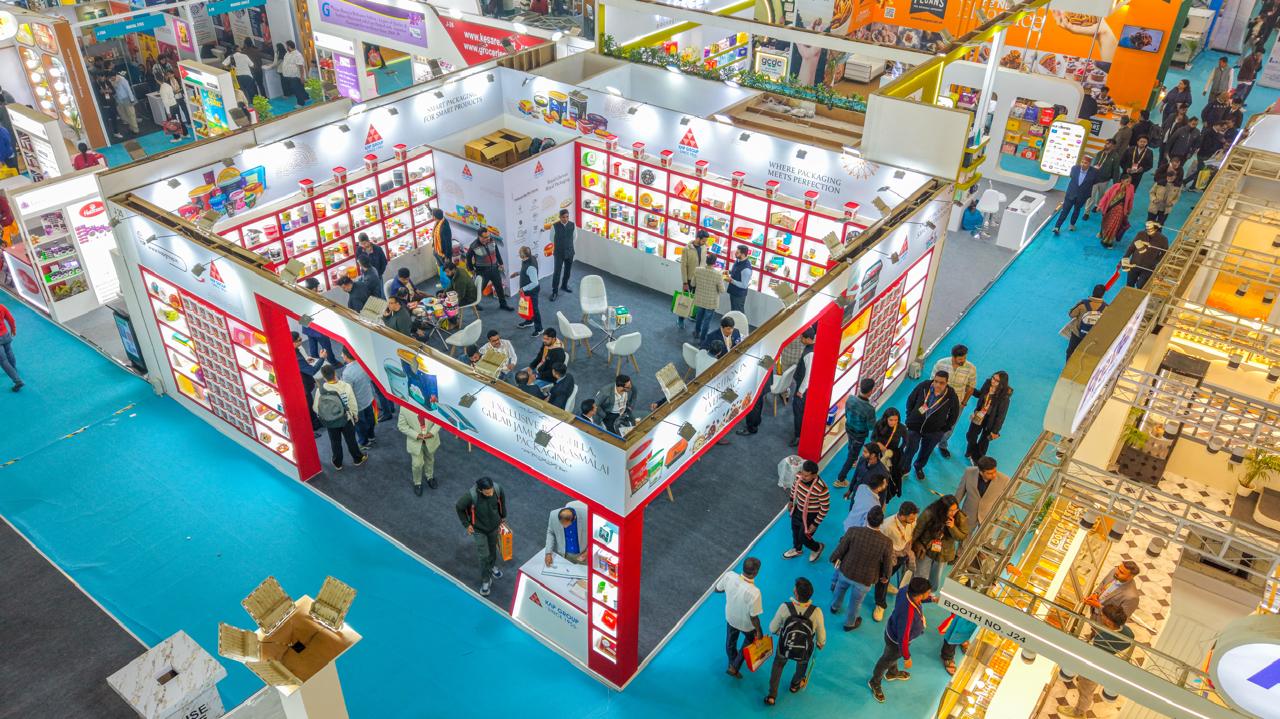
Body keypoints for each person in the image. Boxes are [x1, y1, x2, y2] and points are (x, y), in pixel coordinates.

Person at [1059, 604, 1135, 718]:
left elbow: (1091, 655)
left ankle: (1079, 713)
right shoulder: (1128, 632)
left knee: (1085, 691)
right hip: (1108, 664)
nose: (1100, 616)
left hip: (1094, 668)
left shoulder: (1102, 640)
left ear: (1109, 621)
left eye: (1102, 615)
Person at [868, 576, 935, 703]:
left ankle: (892, 673)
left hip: (892, 630)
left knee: (892, 657)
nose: (930, 593)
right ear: (920, 595)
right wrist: (907, 657)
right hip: (896, 642)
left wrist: (931, 599)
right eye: (928, 593)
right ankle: (874, 682)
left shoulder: (906, 590)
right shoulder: (908, 614)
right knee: (886, 660)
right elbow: (903, 639)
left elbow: (917, 600)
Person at [829, 504, 893, 631]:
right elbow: (887, 563)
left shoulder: (853, 531)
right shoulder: (886, 542)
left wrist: (833, 559)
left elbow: (841, 549)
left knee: (839, 590)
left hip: (846, 570)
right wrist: (886, 576)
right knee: (855, 603)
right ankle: (849, 624)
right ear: (881, 522)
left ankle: (834, 607)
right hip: (865, 579)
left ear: (867, 518)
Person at [764, 577, 826, 705]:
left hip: (784, 646)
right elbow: (821, 637)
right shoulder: (816, 612)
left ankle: (772, 695)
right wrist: (820, 643)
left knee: (778, 665)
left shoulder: (785, 607)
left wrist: (781, 632)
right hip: (804, 648)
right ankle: (795, 685)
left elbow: (772, 628)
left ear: (796, 593)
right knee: (802, 665)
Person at [901, 370, 960, 481]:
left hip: (934, 431)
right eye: (936, 381)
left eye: (941, 383)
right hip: (915, 426)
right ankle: (905, 468)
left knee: (926, 451)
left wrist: (943, 429)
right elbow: (911, 400)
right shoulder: (924, 386)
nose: (937, 385)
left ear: (947, 383)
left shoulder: (951, 395)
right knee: (910, 449)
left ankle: (918, 467)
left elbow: (954, 414)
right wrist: (910, 417)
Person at [454, 477, 508, 597]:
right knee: (484, 556)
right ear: (480, 490)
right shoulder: (470, 496)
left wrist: (503, 516)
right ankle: (486, 580)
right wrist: (466, 524)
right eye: (487, 493)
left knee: (493, 550)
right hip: (479, 530)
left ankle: (492, 566)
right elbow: (459, 507)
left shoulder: (497, 489)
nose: (490, 494)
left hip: (494, 527)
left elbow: (502, 502)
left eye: (491, 491)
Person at [713, 557, 764, 679]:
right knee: (749, 642)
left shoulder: (729, 576)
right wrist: (759, 631)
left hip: (731, 618)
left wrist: (730, 591)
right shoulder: (755, 592)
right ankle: (735, 666)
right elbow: (754, 617)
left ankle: (732, 663)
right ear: (756, 572)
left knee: (730, 642)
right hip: (747, 625)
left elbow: (717, 589)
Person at [313, 364, 367, 469]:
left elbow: (316, 407)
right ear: (335, 373)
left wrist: (325, 415)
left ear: (324, 377)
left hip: (330, 421)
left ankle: (337, 463)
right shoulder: (346, 386)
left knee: (335, 442)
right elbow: (352, 403)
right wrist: (354, 415)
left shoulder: (321, 390)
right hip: (346, 419)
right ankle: (357, 459)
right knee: (351, 440)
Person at [873, 502, 918, 621]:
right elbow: (880, 542)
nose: (914, 520)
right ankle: (880, 604)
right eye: (911, 518)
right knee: (883, 579)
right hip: (889, 555)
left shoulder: (912, 521)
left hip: (903, 553)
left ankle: (887, 584)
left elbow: (911, 534)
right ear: (902, 516)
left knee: (890, 574)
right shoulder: (887, 525)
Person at [912, 495, 967, 591]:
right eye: (950, 510)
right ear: (942, 509)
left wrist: (952, 527)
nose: (953, 513)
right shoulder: (930, 513)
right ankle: (916, 592)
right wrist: (911, 545)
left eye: (955, 510)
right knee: (920, 575)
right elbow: (918, 529)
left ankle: (929, 593)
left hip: (944, 554)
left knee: (935, 579)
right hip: (926, 549)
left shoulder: (959, 517)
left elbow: (962, 536)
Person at [932, 345, 976, 460]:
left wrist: (964, 403)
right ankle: (930, 443)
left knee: (950, 426)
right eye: (961, 359)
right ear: (953, 356)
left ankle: (942, 445)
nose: (963, 361)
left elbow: (971, 388)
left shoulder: (971, 368)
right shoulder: (941, 364)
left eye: (965, 358)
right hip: (939, 401)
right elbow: (932, 382)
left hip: (957, 404)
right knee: (934, 422)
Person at [784, 460, 829, 561]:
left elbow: (825, 508)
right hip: (798, 509)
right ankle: (797, 549)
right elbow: (794, 488)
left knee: (804, 537)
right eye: (802, 473)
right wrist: (791, 501)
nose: (803, 477)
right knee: (795, 531)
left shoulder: (821, 488)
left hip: (811, 515)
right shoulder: (799, 476)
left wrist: (815, 524)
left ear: (814, 475)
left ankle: (818, 547)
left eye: (806, 475)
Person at [964, 372, 1011, 463]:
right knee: (971, 435)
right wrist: (972, 390)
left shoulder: (1004, 397)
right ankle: (971, 452)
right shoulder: (987, 383)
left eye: (997, 380)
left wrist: (995, 431)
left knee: (984, 441)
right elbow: (980, 394)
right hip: (979, 414)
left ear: (1002, 384)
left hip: (990, 420)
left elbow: (1001, 416)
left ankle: (977, 459)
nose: (993, 381)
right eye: (993, 378)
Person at [955, 456, 1010, 530]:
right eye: (990, 473)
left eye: (995, 471)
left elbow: (1006, 501)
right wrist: (952, 510)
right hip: (968, 513)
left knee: (983, 537)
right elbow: (960, 492)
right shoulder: (969, 472)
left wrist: (999, 516)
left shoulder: (1004, 480)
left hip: (988, 517)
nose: (994, 475)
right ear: (981, 472)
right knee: (964, 535)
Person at [466, 229, 513, 311]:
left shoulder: (492, 240)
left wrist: (501, 263)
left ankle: (503, 304)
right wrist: (471, 269)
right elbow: (468, 257)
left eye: (488, 236)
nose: (488, 238)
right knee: (479, 289)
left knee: (499, 287)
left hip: (494, 268)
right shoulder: (474, 246)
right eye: (485, 237)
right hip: (482, 271)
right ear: (479, 237)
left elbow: (497, 252)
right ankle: (474, 303)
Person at [339, 349, 377, 450]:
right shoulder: (363, 364)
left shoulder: (347, 373)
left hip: (357, 404)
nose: (341, 355)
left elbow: (347, 392)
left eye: (342, 353)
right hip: (368, 398)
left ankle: (364, 442)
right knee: (370, 419)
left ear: (346, 356)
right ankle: (371, 436)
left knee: (360, 425)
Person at [397, 408, 440, 495]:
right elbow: (401, 426)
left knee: (430, 459)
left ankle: (430, 477)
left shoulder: (431, 403)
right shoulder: (404, 407)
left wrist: (432, 433)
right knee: (417, 464)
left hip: (431, 439)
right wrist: (416, 435)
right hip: (415, 441)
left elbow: (439, 420)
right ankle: (417, 483)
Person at [1053, 155, 1098, 234]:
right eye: (1082, 162)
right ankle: (1057, 227)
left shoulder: (1094, 172)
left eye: (1085, 163)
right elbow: (1072, 176)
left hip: (1082, 196)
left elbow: (1094, 181)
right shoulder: (1074, 168)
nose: (1083, 164)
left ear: (1089, 164)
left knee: (1077, 210)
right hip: (1071, 193)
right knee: (1065, 210)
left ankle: (1072, 225)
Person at [1066, 284, 1109, 359]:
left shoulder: (1082, 304)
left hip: (1078, 334)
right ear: (1103, 294)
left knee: (1070, 351)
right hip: (1092, 336)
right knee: (1087, 355)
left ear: (1093, 292)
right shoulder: (1106, 308)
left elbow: (1071, 314)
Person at [872, 408, 907, 501]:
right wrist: (878, 444)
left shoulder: (901, 428)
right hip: (879, 452)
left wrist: (899, 450)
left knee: (893, 473)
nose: (893, 422)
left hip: (892, 454)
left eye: (896, 420)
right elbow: (873, 438)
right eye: (891, 420)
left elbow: (906, 441)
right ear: (886, 419)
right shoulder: (879, 424)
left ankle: (890, 491)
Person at [1082, 140, 1121, 220]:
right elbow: (1094, 164)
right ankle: (1086, 212)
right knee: (1091, 196)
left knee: (1101, 194)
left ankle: (1097, 205)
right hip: (1094, 179)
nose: (1106, 145)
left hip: (1104, 180)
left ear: (1113, 146)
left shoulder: (1115, 156)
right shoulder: (1099, 153)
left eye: (1108, 144)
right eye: (1106, 143)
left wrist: (1116, 183)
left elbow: (1116, 170)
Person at [692, 252, 726, 341]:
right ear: (715, 262)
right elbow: (722, 290)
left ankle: (696, 332)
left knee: (699, 316)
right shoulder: (718, 274)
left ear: (706, 260)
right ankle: (702, 339)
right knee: (707, 321)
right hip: (711, 302)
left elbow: (692, 283)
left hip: (700, 299)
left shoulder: (698, 270)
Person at [1184, 121, 1229, 190]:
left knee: (1200, 170)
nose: (1223, 130)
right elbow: (1206, 145)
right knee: (1200, 171)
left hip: (1207, 155)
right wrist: (1214, 149)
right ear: (1218, 125)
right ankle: (1185, 182)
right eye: (1223, 128)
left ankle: (1192, 186)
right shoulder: (1209, 132)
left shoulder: (1216, 133)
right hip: (1204, 154)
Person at [678, 230, 709, 330]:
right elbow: (683, 267)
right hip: (689, 279)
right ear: (698, 238)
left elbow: (704, 263)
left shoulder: (704, 247)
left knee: (696, 300)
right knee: (685, 300)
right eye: (703, 241)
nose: (705, 243)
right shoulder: (686, 249)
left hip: (699, 279)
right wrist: (685, 282)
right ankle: (681, 319)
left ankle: (693, 315)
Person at [1124, 222, 1168, 290]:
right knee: (1129, 284)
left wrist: (1155, 261)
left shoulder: (1163, 239)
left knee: (1141, 286)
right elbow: (1132, 247)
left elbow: (1164, 253)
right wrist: (1125, 258)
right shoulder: (1141, 234)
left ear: (1156, 229)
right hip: (1134, 264)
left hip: (1148, 268)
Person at [843, 465, 888, 530]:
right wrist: (882, 511)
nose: (886, 484)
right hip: (856, 530)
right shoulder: (875, 505)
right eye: (884, 484)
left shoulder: (861, 487)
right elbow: (867, 525)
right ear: (878, 488)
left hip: (850, 521)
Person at [292, 331, 323, 426]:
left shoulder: (293, 351)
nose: (301, 341)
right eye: (299, 340)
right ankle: (314, 424)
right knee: (309, 405)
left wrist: (305, 362)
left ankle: (314, 422)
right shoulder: (297, 357)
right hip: (302, 386)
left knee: (309, 404)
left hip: (298, 384)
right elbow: (312, 371)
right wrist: (322, 358)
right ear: (293, 342)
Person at [1097, 174, 1135, 249]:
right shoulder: (1115, 186)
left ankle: (1107, 242)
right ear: (1122, 181)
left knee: (1114, 225)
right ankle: (1102, 234)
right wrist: (1100, 205)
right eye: (1127, 181)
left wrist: (1129, 210)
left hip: (1120, 211)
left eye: (1130, 181)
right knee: (1106, 222)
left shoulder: (1131, 188)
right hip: (1110, 208)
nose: (1129, 183)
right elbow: (1106, 196)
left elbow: (1131, 200)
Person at [516, 245, 543, 334]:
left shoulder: (530, 267)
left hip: (532, 292)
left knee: (534, 310)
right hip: (527, 291)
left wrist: (523, 289)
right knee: (527, 307)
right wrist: (518, 273)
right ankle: (529, 321)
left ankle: (539, 329)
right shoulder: (530, 258)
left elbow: (535, 283)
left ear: (523, 255)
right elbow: (526, 272)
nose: (518, 253)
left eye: (520, 252)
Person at [550, 209, 575, 300]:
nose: (565, 219)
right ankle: (554, 292)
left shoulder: (572, 225)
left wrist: (568, 245)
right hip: (559, 253)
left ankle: (564, 285)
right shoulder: (554, 226)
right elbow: (551, 239)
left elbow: (574, 237)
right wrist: (561, 245)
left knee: (568, 270)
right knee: (557, 272)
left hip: (570, 252)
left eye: (567, 217)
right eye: (563, 217)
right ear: (560, 217)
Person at [280, 40, 309, 107]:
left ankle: (300, 103)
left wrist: (302, 77)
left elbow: (301, 66)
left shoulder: (297, 55)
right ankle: (306, 97)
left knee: (296, 89)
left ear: (289, 46)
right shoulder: (288, 53)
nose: (286, 47)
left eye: (286, 46)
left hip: (295, 76)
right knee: (300, 88)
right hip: (289, 75)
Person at [0, 302, 21, 391]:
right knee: (9, 352)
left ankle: (17, 381)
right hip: (5, 335)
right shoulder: (1, 306)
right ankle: (13, 369)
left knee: (3, 361)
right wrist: (13, 329)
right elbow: (11, 319)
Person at [157, 75, 184, 142]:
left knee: (172, 123)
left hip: (170, 107)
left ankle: (177, 138)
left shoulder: (162, 89)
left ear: (157, 80)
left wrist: (168, 112)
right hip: (175, 104)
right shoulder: (168, 85)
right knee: (179, 120)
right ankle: (185, 134)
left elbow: (165, 102)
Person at [726, 245, 753, 313]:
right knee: (733, 311)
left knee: (738, 313)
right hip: (733, 291)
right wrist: (729, 272)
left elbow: (744, 285)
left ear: (743, 255)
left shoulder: (746, 269)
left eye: (737, 252)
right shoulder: (738, 260)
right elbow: (737, 271)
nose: (735, 253)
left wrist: (731, 280)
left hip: (739, 295)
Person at [431, 208, 454, 278]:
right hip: (437, 251)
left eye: (432, 215)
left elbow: (448, 243)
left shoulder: (443, 227)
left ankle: (450, 282)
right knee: (441, 268)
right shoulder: (440, 221)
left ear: (435, 217)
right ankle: (444, 281)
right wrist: (428, 208)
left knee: (448, 270)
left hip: (443, 254)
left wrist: (447, 256)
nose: (432, 217)